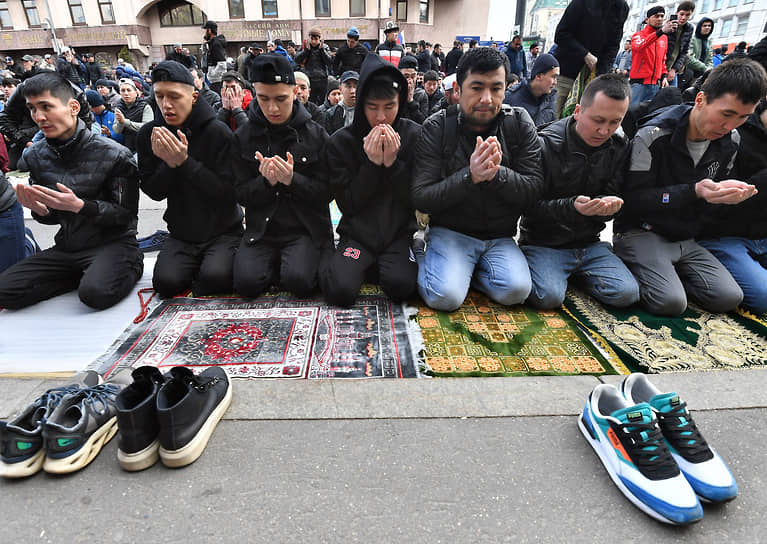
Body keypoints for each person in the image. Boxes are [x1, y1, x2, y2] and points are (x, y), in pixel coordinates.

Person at [614, 59, 767, 316]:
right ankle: (641, 267)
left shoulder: (732, 140)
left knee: (728, 297)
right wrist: (695, 191)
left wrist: (726, 197)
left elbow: (712, 202)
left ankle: (667, 273)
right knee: (670, 302)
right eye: (726, 114)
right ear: (701, 100)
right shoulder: (653, 135)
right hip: (642, 229)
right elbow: (632, 199)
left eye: (742, 118)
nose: (730, 126)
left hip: (688, 236)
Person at [412, 47, 543, 311]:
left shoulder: (518, 123)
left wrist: (497, 175)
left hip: (500, 235)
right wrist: (469, 176)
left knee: (517, 291)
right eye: (477, 88)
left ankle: (467, 273)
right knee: (445, 297)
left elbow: (534, 189)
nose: (487, 98)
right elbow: (421, 195)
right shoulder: (437, 127)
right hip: (451, 230)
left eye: (496, 88)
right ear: (458, 90)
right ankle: (424, 253)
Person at [0, 72, 142, 310]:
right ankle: (80, 275)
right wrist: (40, 210)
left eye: (46, 107)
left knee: (95, 294)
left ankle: (120, 267)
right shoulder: (35, 155)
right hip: (68, 247)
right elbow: (52, 217)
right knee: (4, 291)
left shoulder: (114, 154)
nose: (39, 117)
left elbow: (126, 216)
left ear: (73, 107)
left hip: (113, 244)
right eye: (33, 109)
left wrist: (80, 206)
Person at [520, 74, 639, 309]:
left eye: (615, 122)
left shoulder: (618, 146)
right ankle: (554, 272)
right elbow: (527, 206)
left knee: (627, 294)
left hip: (589, 242)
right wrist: (572, 206)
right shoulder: (545, 144)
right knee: (548, 297)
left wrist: (607, 207)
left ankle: (573, 274)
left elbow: (614, 193)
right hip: (544, 242)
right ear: (577, 111)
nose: (604, 130)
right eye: (598, 120)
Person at [320, 54, 420, 306]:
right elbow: (348, 204)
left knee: (401, 287)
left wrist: (393, 165)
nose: (381, 117)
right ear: (362, 103)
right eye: (372, 107)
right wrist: (373, 165)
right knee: (339, 291)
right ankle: (364, 264)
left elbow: (415, 200)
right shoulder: (342, 142)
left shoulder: (412, 135)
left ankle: (381, 264)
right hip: (358, 235)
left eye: (389, 106)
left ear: (400, 103)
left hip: (398, 233)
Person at [137, 61, 243, 298]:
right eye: (159, 96)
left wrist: (186, 164)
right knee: (165, 283)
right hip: (181, 234)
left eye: (174, 96)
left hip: (223, 230)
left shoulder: (217, 132)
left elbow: (230, 194)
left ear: (194, 97)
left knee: (215, 278)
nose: (166, 105)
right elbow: (154, 191)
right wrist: (170, 165)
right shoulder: (150, 134)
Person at [231, 54, 332, 298]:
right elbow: (239, 193)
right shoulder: (244, 136)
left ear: (295, 92)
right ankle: (276, 265)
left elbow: (327, 192)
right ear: (254, 92)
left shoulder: (314, 134)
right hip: (261, 230)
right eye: (263, 99)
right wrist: (266, 182)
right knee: (245, 285)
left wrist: (292, 180)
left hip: (304, 229)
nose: (272, 108)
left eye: (281, 99)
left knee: (300, 282)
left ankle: (292, 264)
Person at [697, 73, 767, 313]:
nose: (732, 122)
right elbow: (711, 202)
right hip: (724, 234)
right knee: (762, 296)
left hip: (761, 235)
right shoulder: (734, 131)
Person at [552, 0, 629, 117]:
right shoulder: (581, 3)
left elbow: (613, 45)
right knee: (554, 118)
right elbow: (561, 35)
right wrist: (585, 54)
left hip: (593, 78)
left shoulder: (621, 7)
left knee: (581, 122)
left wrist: (602, 73)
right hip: (566, 73)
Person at [629, 6, 676, 107]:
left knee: (646, 118)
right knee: (629, 116)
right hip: (638, 85)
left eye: (662, 16)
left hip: (655, 86)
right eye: (656, 16)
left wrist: (664, 76)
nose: (659, 19)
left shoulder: (664, 38)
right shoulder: (638, 35)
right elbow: (639, 46)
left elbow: (662, 60)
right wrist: (660, 32)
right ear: (647, 20)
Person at [503, 54, 559, 127]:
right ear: (538, 76)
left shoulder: (551, 99)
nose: (555, 82)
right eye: (553, 77)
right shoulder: (510, 98)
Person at [113, 78, 152, 153]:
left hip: (144, 146)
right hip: (128, 146)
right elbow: (116, 130)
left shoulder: (145, 107)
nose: (126, 93)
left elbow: (147, 128)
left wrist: (125, 122)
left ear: (136, 92)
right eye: (123, 90)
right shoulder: (119, 108)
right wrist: (120, 122)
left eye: (129, 90)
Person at [295, 27, 332, 105]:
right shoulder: (304, 47)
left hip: (322, 78)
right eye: (312, 38)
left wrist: (322, 50)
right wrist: (306, 51)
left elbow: (329, 61)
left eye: (316, 38)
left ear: (319, 38)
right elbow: (297, 60)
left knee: (323, 101)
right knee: (310, 101)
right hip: (310, 78)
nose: (314, 41)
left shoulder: (324, 47)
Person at [664, 2, 695, 87]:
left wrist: (674, 69)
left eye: (687, 15)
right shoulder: (668, 25)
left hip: (673, 69)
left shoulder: (689, 28)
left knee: (673, 95)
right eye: (681, 14)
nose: (683, 18)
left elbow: (684, 51)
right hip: (661, 67)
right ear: (676, 13)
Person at [324, 71, 358, 135]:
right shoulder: (331, 114)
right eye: (348, 86)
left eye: (356, 86)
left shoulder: (367, 111)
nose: (353, 91)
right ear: (340, 89)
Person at [398, 56, 428, 123]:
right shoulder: (394, 93)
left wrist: (411, 101)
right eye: (406, 76)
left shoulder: (421, 94)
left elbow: (423, 122)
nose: (410, 80)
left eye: (413, 76)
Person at [201, 20, 227, 94]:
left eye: (205, 30)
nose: (205, 32)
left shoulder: (216, 44)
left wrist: (213, 75)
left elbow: (222, 63)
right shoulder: (212, 43)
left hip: (216, 80)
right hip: (214, 79)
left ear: (209, 30)